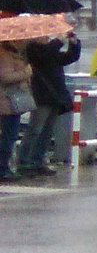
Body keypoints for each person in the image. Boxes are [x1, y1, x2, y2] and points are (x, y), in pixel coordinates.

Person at [20, 29, 82, 175]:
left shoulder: (49, 50)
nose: (46, 36)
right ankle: (24, 161)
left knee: (47, 131)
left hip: (55, 95)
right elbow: (45, 55)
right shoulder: (32, 50)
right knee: (35, 129)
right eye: (42, 34)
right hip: (42, 95)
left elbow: (68, 58)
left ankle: (38, 160)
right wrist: (59, 40)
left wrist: (74, 44)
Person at [0, 42, 29, 181]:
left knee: (10, 136)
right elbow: (5, 77)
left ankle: (4, 167)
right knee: (8, 136)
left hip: (11, 102)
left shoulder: (14, 55)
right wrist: (25, 73)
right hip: (7, 102)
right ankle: (2, 168)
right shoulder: (4, 56)